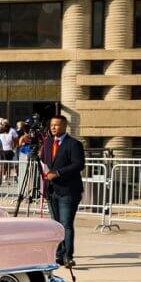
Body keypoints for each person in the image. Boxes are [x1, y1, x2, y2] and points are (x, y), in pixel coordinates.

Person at [40, 115, 85, 268]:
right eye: (52, 125)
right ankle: (58, 255)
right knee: (55, 225)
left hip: (68, 190)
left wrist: (58, 173)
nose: (53, 128)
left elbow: (79, 164)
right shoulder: (47, 143)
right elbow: (44, 161)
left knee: (66, 224)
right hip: (51, 190)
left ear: (64, 126)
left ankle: (68, 256)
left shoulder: (74, 144)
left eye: (57, 125)